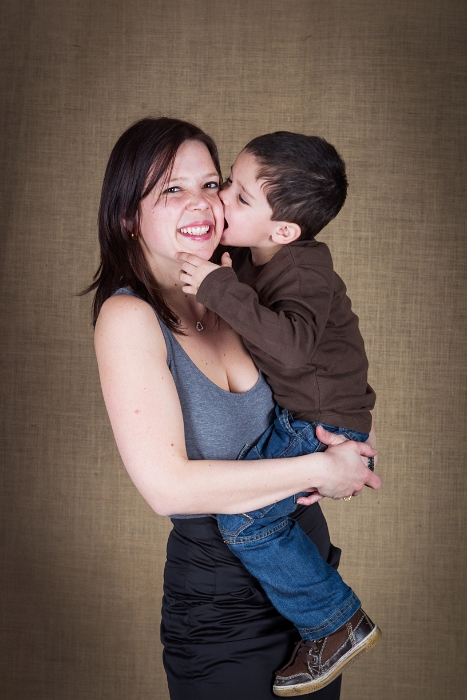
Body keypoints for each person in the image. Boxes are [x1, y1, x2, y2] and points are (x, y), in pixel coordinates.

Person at [87, 117, 380, 700]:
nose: (204, 202)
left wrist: (340, 440)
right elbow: (167, 489)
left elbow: (320, 366)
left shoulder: (239, 289)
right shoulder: (129, 318)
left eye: (212, 183)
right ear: (128, 214)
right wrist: (323, 469)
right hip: (222, 609)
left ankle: (332, 622)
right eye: (172, 188)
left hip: (307, 585)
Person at [176, 131, 382, 695]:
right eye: (227, 184)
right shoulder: (254, 254)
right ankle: (322, 612)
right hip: (316, 417)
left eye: (239, 198)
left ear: (284, 231)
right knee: (259, 512)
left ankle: (333, 620)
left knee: (245, 519)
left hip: (318, 421)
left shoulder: (303, 270)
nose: (220, 201)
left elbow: (292, 346)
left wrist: (218, 285)